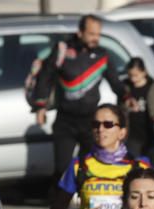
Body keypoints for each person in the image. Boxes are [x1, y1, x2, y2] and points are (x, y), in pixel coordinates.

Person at [31, 15, 128, 182]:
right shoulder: (63, 51)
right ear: (80, 33)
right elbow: (45, 77)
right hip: (65, 121)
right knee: (62, 169)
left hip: (91, 122)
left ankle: (84, 202)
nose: (95, 39)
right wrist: (41, 106)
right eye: (91, 34)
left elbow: (115, 83)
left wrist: (127, 96)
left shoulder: (102, 56)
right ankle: (60, 203)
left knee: (88, 167)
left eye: (98, 34)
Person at [124, 57, 154, 170]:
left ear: (144, 72)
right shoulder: (126, 88)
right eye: (130, 75)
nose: (133, 79)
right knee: (132, 167)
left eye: (136, 75)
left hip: (150, 134)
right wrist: (127, 107)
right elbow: (120, 108)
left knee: (149, 167)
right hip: (132, 135)